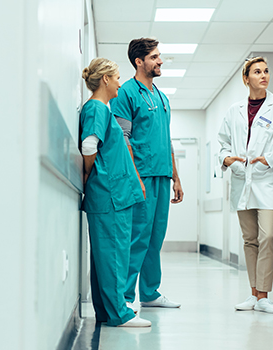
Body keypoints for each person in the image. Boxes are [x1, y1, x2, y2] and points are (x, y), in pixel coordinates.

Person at [218, 57, 273, 314]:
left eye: (266, 71)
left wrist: (270, 159)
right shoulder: (234, 110)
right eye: (257, 72)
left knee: (268, 236)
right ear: (246, 79)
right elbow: (222, 143)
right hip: (242, 181)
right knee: (250, 239)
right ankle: (253, 294)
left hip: (267, 180)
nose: (263, 75)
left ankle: (264, 295)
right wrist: (227, 159)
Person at [110, 38, 183, 311]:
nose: (160, 61)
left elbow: (167, 139)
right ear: (139, 61)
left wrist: (176, 177)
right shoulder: (126, 93)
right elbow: (124, 138)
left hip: (162, 176)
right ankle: (125, 298)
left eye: (159, 56)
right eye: (154, 57)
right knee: (138, 237)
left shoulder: (161, 97)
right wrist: (136, 178)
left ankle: (150, 293)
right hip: (141, 176)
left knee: (155, 237)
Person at [80, 57, 151, 327]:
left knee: (106, 256)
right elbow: (89, 145)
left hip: (110, 193)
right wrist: (90, 174)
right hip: (110, 194)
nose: (121, 83)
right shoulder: (98, 108)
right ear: (106, 79)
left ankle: (109, 312)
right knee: (114, 255)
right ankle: (120, 313)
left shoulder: (100, 109)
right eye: (118, 77)